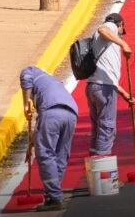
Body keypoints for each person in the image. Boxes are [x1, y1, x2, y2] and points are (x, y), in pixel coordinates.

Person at [20, 66, 78, 212]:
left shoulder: (31, 72)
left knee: (45, 155)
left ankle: (55, 197)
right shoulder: (51, 81)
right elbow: (42, 122)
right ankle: (53, 195)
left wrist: (26, 103)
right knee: (60, 155)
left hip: (51, 112)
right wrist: (32, 143)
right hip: (70, 114)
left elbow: (26, 75)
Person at [87, 12, 134, 156]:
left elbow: (107, 75)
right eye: (122, 31)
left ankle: (95, 168)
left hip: (94, 86)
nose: (120, 35)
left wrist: (124, 93)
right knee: (107, 127)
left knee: (98, 128)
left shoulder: (102, 43)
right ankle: (103, 170)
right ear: (120, 25)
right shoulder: (111, 26)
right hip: (103, 88)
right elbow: (103, 29)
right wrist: (123, 44)